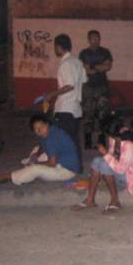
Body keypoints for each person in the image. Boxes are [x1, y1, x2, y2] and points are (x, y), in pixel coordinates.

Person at [73, 118, 133, 213]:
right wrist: (107, 155)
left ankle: (115, 201)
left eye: (109, 135)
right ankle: (90, 200)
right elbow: (112, 157)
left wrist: (105, 153)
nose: (109, 137)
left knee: (104, 165)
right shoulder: (114, 138)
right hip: (121, 172)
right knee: (97, 161)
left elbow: (121, 169)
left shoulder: (129, 143)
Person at [0, 114, 80, 186]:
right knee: (36, 150)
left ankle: (9, 176)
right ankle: (27, 171)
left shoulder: (52, 138)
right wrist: (37, 154)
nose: (39, 130)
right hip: (60, 161)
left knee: (35, 168)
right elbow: (42, 146)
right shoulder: (49, 131)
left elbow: (52, 163)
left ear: (47, 124)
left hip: (66, 171)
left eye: (41, 127)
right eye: (36, 129)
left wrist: (36, 164)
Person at [44, 34, 86, 172]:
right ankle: (77, 167)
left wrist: (51, 95)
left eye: (55, 47)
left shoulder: (66, 64)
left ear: (58, 47)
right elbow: (83, 81)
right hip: (74, 108)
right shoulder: (77, 62)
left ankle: (71, 168)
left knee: (65, 139)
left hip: (66, 108)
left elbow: (69, 85)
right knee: (73, 139)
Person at [79, 30, 113, 149]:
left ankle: (101, 142)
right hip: (88, 88)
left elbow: (107, 67)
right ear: (89, 40)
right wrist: (99, 66)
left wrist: (93, 66)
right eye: (94, 38)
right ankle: (88, 142)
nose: (96, 40)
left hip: (102, 87)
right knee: (88, 114)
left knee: (102, 115)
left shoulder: (105, 52)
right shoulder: (84, 53)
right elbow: (85, 69)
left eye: (98, 38)